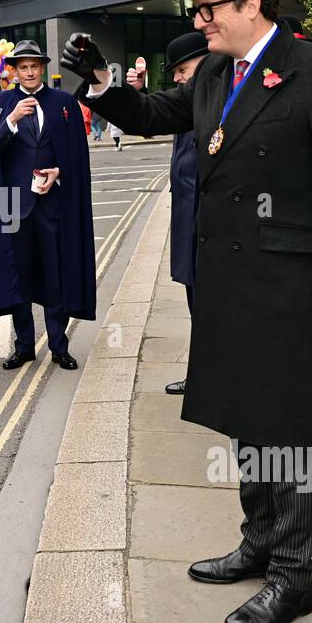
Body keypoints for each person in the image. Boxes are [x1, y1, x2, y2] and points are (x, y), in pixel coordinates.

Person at [66, 0, 312, 623]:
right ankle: (259, 541)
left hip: (297, 292)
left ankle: (295, 576)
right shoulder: (213, 74)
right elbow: (154, 117)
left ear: (250, 2)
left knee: (291, 431)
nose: (199, 21)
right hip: (230, 289)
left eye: (208, 8)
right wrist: (102, 83)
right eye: (197, 8)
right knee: (248, 422)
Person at [0, 39, 96, 371]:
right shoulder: (0, 105)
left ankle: (59, 345)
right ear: (14, 70)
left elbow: (77, 157)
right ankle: (24, 345)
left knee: (56, 275)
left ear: (42, 68)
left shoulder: (63, 103)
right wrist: (10, 122)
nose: (29, 72)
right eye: (22, 67)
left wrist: (60, 172)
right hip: (12, 206)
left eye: (34, 66)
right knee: (18, 277)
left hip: (52, 204)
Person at [130, 31, 209, 395]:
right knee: (197, 303)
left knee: (212, 307)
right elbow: (153, 120)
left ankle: (213, 378)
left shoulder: (219, 100)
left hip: (209, 225)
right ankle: (204, 374)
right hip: (187, 221)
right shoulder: (192, 100)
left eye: (182, 69)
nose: (177, 77)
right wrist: (137, 94)